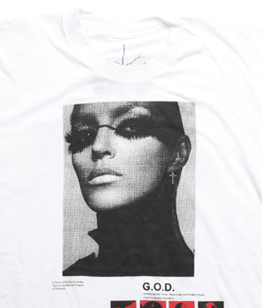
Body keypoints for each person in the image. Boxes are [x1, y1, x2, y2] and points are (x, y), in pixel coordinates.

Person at [63, 101, 193, 276]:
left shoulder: (207, 275)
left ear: (178, 154)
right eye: (84, 135)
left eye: (131, 126)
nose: (98, 147)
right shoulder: (72, 278)